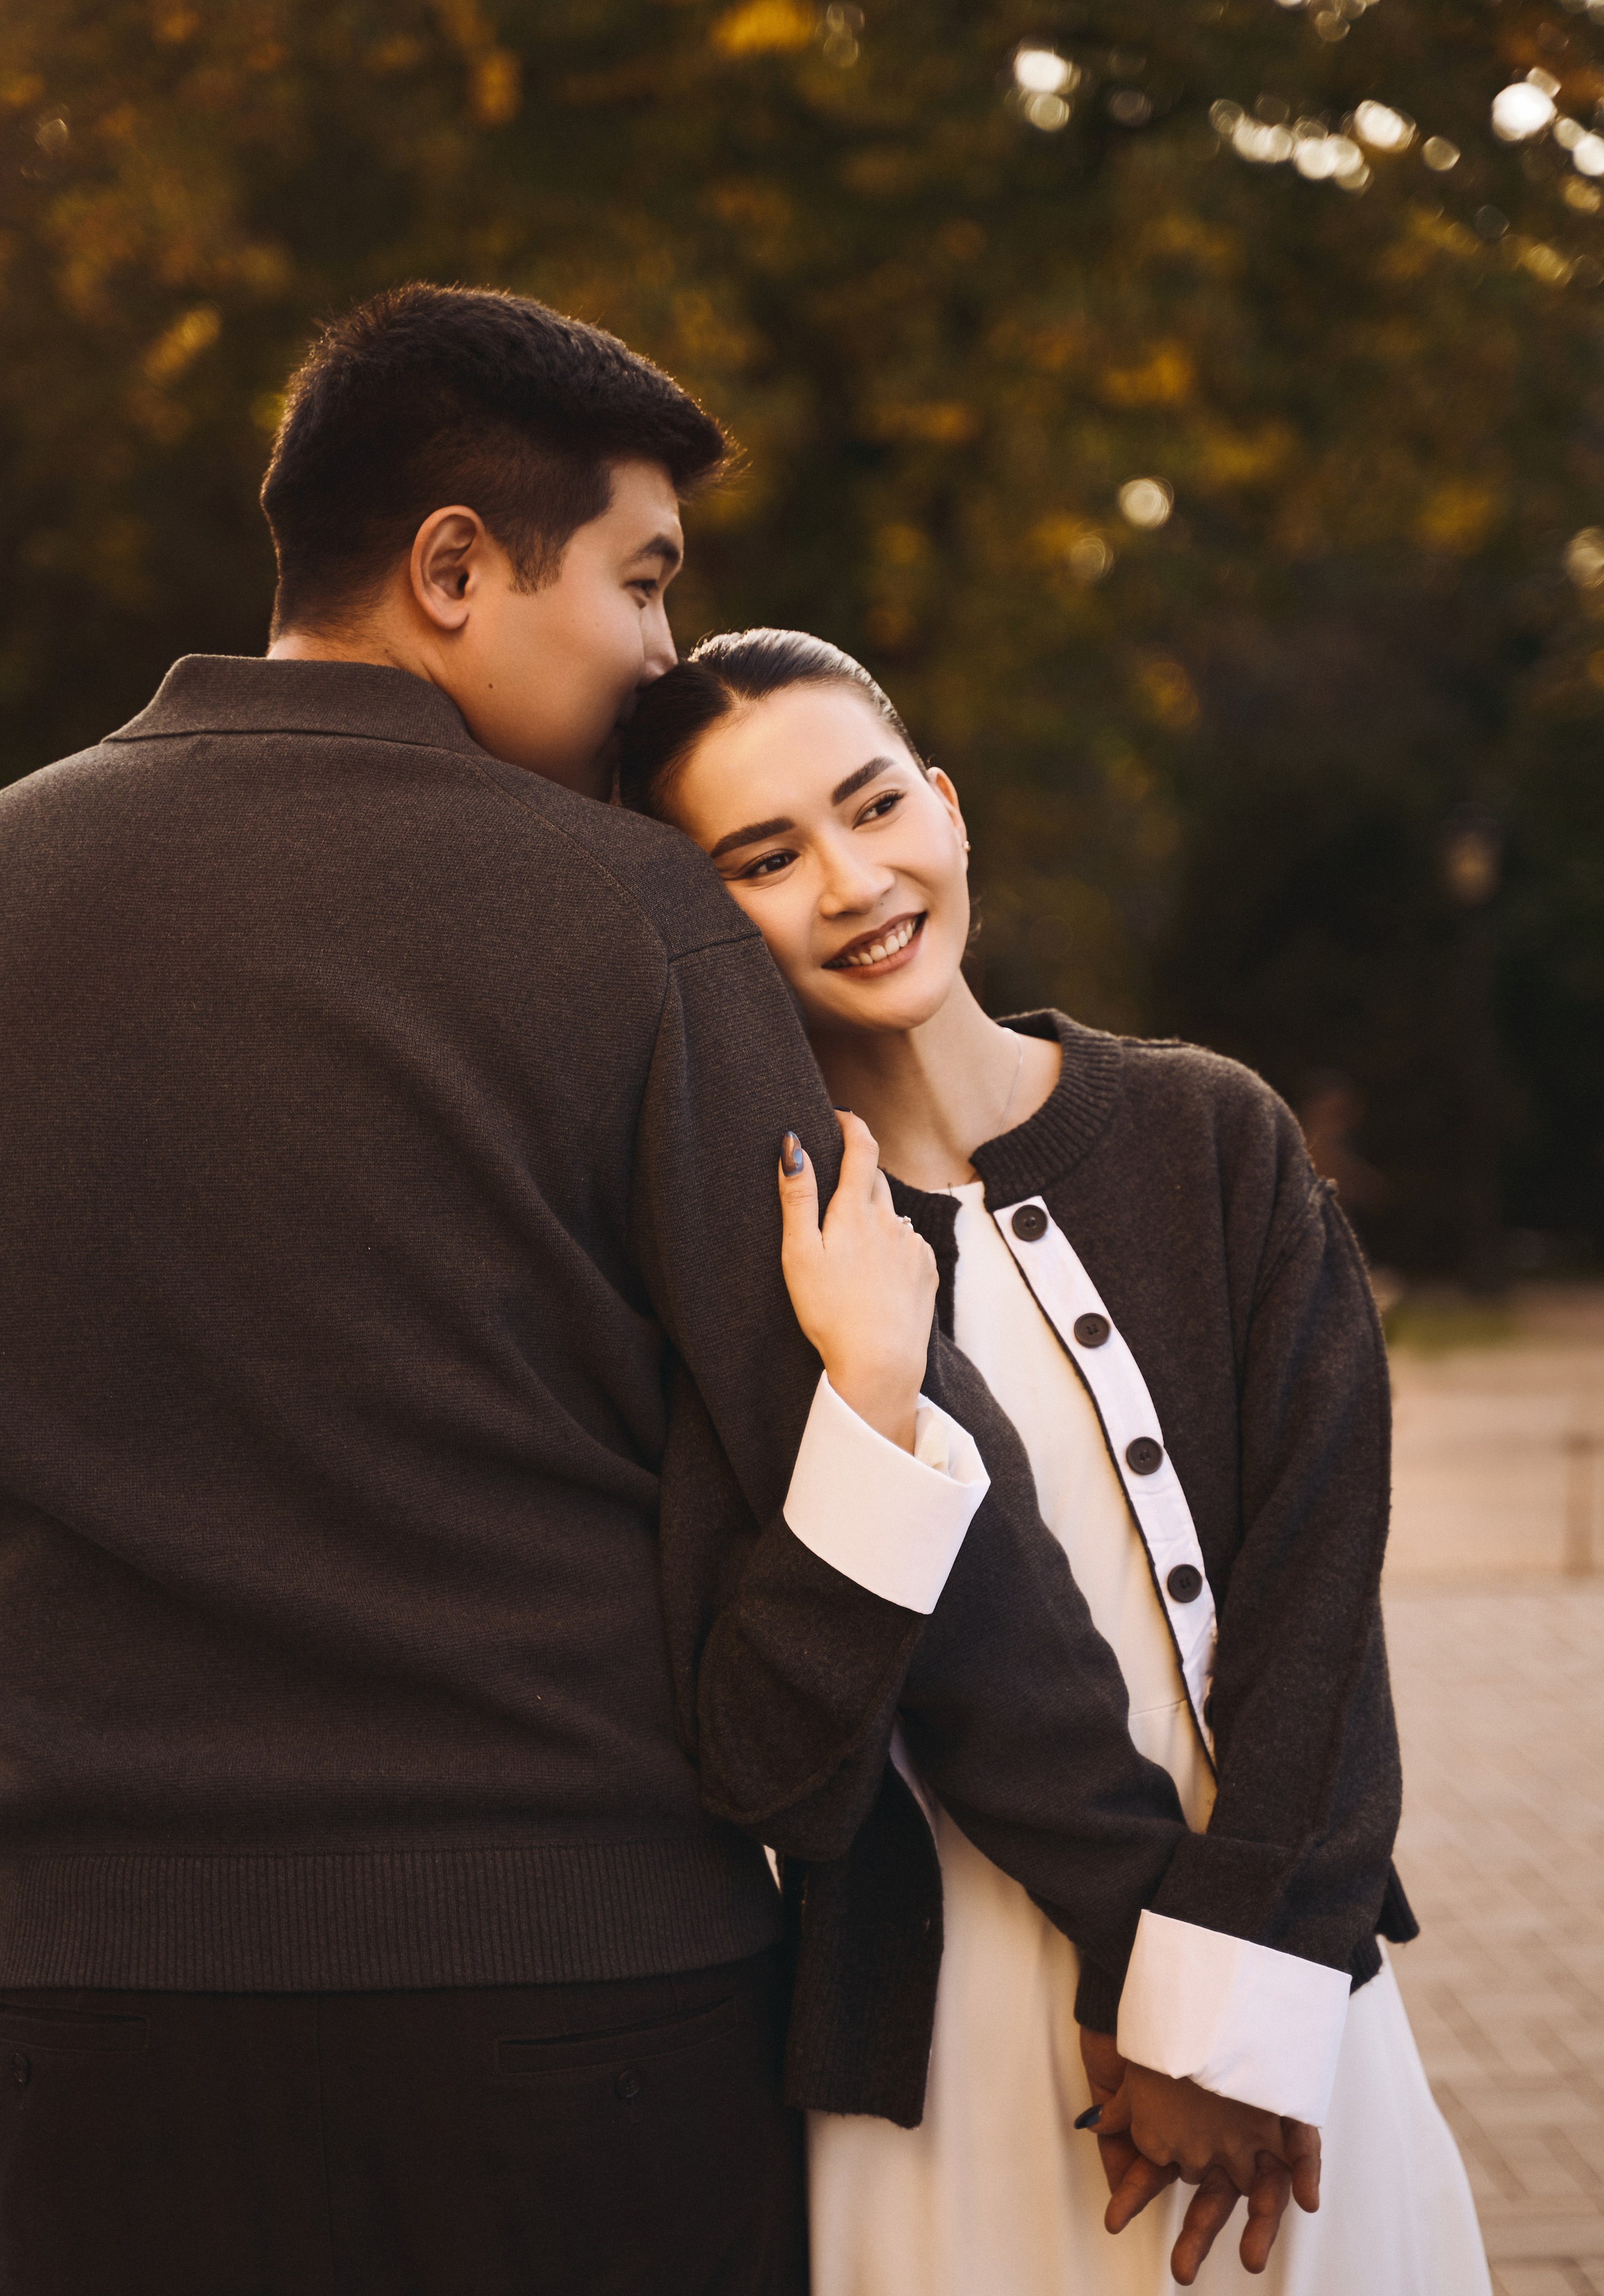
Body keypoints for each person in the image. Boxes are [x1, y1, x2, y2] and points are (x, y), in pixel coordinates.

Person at [0, 286, 1297, 2293]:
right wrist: (1160, 1953)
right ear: (452, 568)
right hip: (581, 2012)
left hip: (78, 2013)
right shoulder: (636, 921)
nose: (660, 654)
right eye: (642, 578)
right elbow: (890, 1479)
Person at [618, 627, 1494, 2295]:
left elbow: (1321, 1610)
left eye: (875, 805)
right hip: (952, 2068)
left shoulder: (1213, 1134)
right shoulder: (753, 1261)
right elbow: (772, 1768)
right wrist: (870, 1396)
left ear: (946, 806)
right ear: (701, 921)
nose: (854, 881)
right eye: (765, 858)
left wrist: (1222, 2006)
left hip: (1286, 1992)